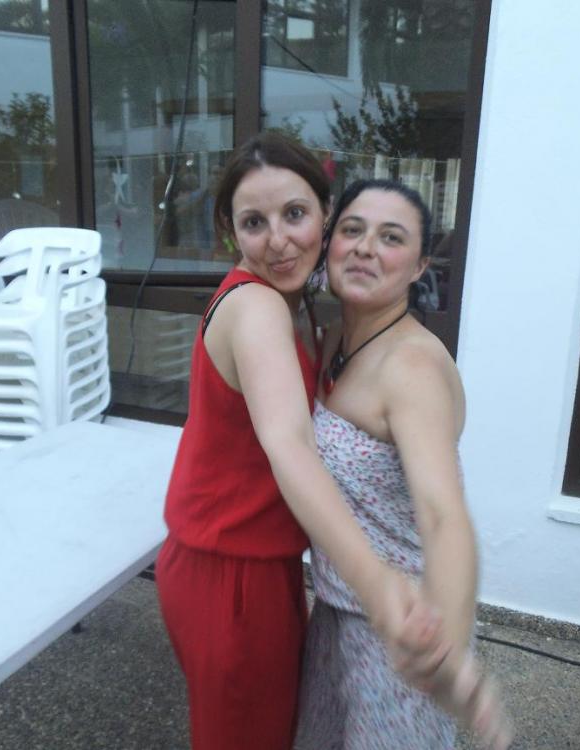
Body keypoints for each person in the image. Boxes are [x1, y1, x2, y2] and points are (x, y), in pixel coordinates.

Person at [154, 135, 450, 750]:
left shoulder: (296, 302)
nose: (279, 240)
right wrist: (377, 583)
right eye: (253, 223)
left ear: (325, 213)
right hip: (229, 572)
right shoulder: (258, 306)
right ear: (232, 232)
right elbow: (290, 446)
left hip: (256, 561)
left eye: (294, 213)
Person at [295, 179, 513, 750]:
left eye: (391, 238)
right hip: (336, 609)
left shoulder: (411, 366)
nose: (366, 247)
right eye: (352, 229)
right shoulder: (337, 340)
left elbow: (443, 514)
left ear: (419, 267)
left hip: (398, 632)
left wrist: (446, 648)